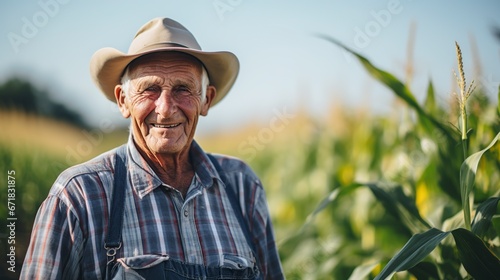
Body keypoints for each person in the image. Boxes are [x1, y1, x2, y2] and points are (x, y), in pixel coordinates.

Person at [20, 17, 284, 280]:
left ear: (206, 100)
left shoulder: (242, 187)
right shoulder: (78, 196)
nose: (166, 109)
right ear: (123, 101)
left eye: (183, 89)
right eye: (150, 89)